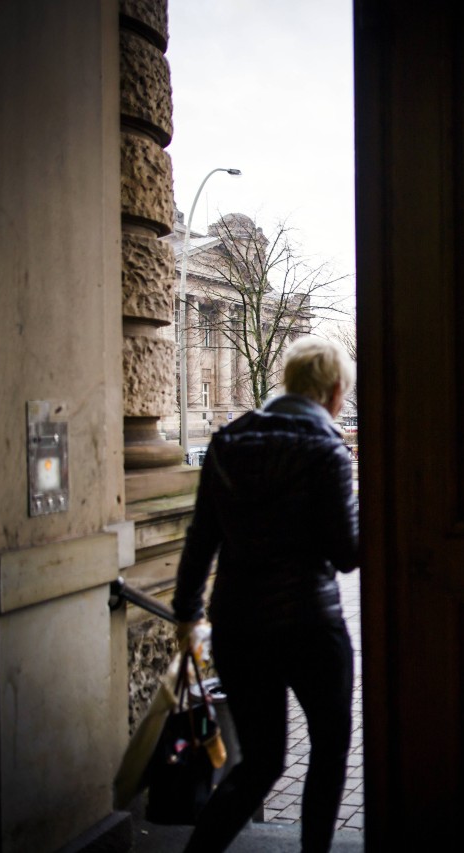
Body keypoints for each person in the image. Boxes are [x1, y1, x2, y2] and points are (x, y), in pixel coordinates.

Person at [172, 335, 359, 853]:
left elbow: (200, 538)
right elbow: (346, 553)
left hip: (239, 625)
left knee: (259, 762)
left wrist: (186, 612)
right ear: (333, 390)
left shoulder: (228, 442)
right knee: (328, 751)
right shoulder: (326, 450)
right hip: (309, 626)